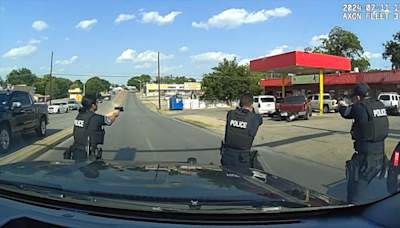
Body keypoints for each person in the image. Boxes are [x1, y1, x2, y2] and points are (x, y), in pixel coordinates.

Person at [338, 83, 389, 204]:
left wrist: (341, 104)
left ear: (358, 97)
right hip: (380, 157)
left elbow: (345, 112)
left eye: (354, 98)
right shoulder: (379, 105)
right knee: (364, 188)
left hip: (365, 160)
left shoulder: (359, 107)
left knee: (354, 195)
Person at [63, 94, 120, 161]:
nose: (97, 104)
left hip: (76, 151)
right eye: (96, 103)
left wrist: (111, 112)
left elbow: (99, 117)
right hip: (89, 154)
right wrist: (115, 114)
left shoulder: (80, 115)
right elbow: (110, 121)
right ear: (93, 106)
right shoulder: (96, 119)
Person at [220, 94, 263, 169]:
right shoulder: (255, 117)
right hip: (242, 159)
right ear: (252, 104)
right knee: (242, 179)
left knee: (226, 179)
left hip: (227, 155)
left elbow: (234, 113)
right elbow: (259, 119)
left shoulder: (231, 114)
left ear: (240, 103)